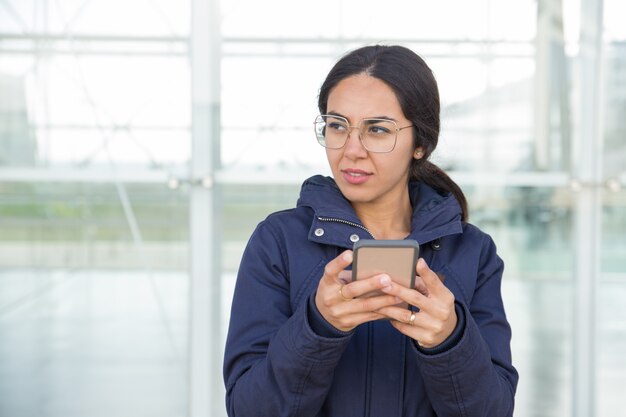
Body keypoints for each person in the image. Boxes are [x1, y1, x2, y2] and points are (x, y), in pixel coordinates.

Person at [223, 44, 518, 417]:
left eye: (377, 130)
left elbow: (493, 411)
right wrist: (318, 326)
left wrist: (450, 342)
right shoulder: (278, 242)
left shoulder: (473, 252)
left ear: (421, 143)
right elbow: (248, 410)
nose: (351, 150)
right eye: (337, 126)